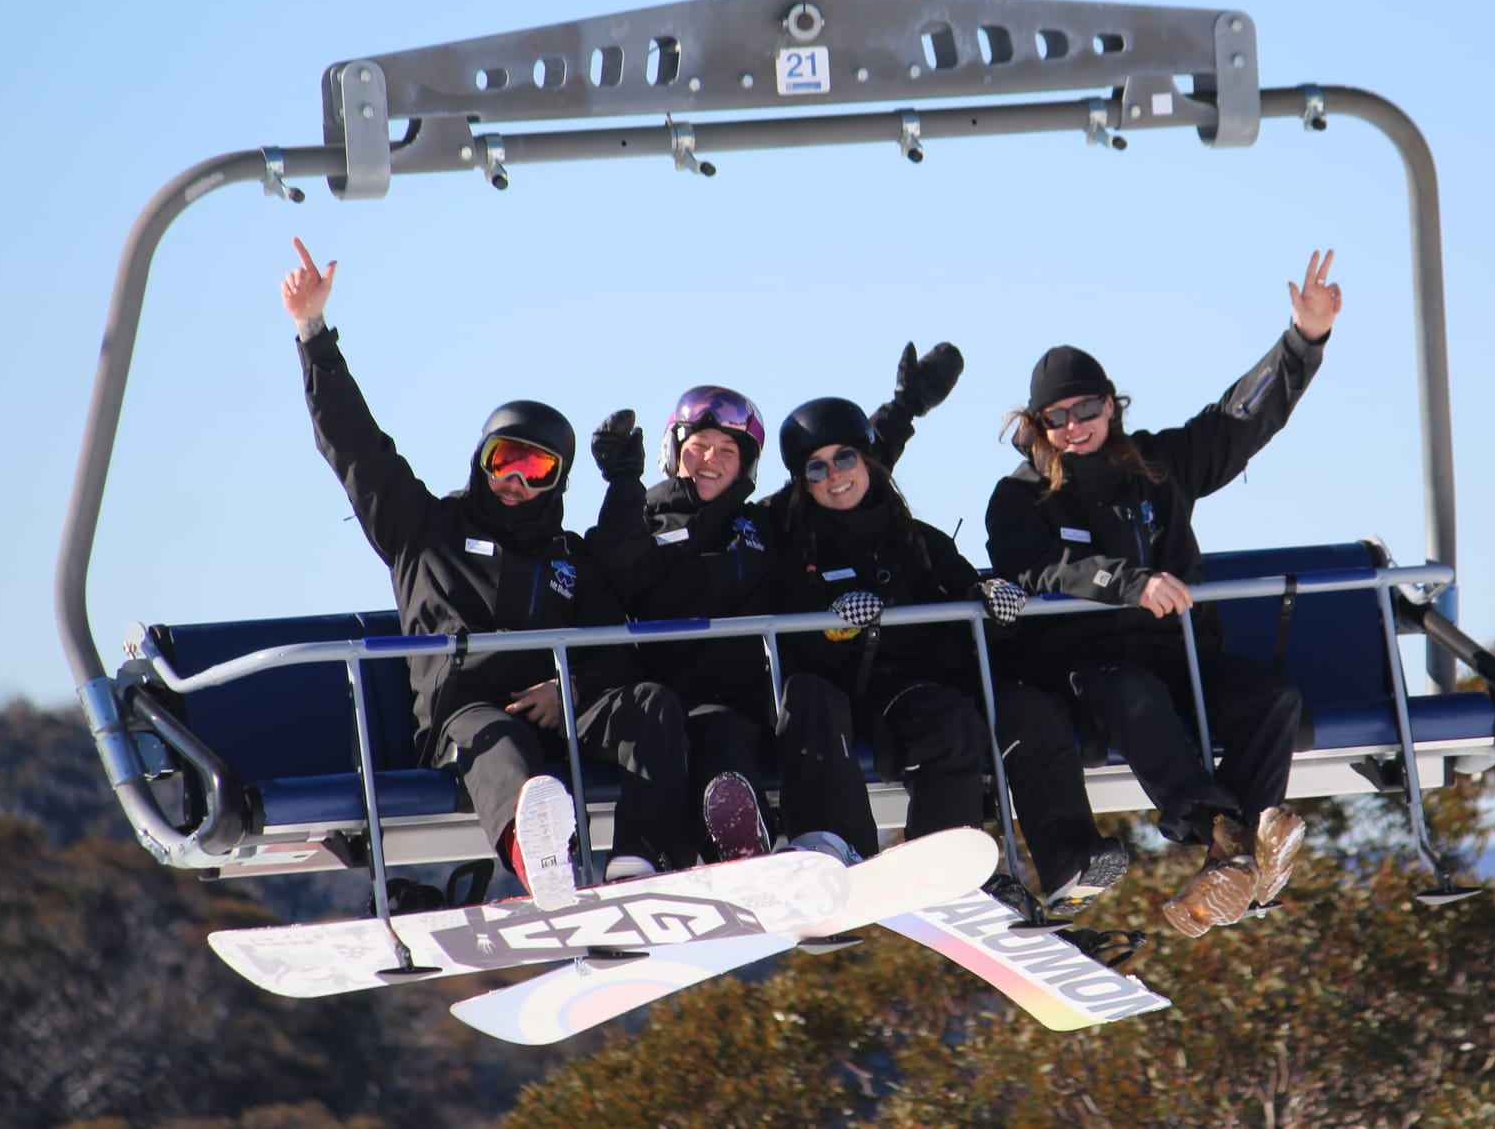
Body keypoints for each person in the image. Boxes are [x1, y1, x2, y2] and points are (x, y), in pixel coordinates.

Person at [277, 237, 694, 910]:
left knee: (651, 705)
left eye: (537, 470)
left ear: (557, 482)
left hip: (559, 708)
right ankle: (542, 862)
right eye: (505, 460)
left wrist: (571, 687)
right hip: (464, 716)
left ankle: (636, 863)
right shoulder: (422, 528)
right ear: (482, 458)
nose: (515, 482)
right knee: (496, 742)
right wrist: (313, 331)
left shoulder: (566, 558)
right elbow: (355, 445)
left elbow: (615, 645)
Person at [984, 249, 1345, 936]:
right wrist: (1128, 583)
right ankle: (1219, 831)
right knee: (1134, 694)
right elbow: (1036, 567)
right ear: (1037, 426)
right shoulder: (1019, 497)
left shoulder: (1156, 465)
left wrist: (1303, 340)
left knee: (1274, 698)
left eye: (1086, 407)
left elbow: (1239, 422)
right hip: (1084, 669)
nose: (1073, 425)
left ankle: (1239, 859)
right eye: (1055, 417)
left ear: (1110, 404)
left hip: (1175, 649)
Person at [583, 346, 964, 864]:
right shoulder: (644, 520)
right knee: (719, 735)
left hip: (762, 696)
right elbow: (620, 565)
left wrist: (905, 407)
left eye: (726, 451)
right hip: (683, 704)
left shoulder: (762, 523)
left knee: (813, 692)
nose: (710, 460)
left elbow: (839, 473)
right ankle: (742, 847)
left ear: (746, 465)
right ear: (674, 452)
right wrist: (623, 482)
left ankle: (833, 845)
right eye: (698, 447)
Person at [770, 397, 1130, 919]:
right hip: (884, 692)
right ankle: (946, 873)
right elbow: (796, 632)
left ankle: (1068, 859)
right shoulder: (799, 552)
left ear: (868, 461)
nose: (834, 476)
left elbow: (968, 585)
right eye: (816, 468)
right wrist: (833, 623)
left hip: (956, 675)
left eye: (844, 458)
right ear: (803, 483)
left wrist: (994, 598)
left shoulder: (919, 541)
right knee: (952, 726)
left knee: (1032, 710)